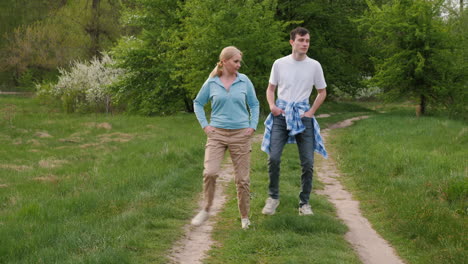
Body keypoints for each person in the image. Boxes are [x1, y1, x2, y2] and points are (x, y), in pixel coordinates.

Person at [261, 27, 328, 216]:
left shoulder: (314, 65)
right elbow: (270, 89)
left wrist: (311, 111)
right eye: (301, 40)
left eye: (307, 41)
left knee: (307, 162)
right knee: (273, 158)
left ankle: (304, 203)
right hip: (281, 116)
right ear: (292, 42)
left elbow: (322, 92)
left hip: (303, 115)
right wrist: (272, 106)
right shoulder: (279, 64)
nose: (305, 44)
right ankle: (273, 198)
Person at [191, 46, 260, 229]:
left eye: (239, 61)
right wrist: (205, 125)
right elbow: (198, 103)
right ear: (224, 62)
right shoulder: (212, 82)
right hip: (217, 135)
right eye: (235, 61)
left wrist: (252, 126)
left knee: (242, 180)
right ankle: (206, 209)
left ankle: (244, 217)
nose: (239, 65)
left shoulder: (244, 81)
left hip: (241, 134)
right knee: (210, 172)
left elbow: (254, 104)